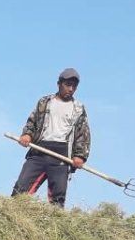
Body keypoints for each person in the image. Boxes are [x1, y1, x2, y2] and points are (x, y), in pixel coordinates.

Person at [12, 67, 91, 206]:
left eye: (74, 86)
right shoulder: (45, 102)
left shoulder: (78, 108)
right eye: (68, 85)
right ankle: (14, 213)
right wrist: (27, 134)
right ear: (59, 84)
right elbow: (32, 122)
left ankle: (55, 218)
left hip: (62, 155)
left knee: (57, 197)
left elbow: (83, 134)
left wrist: (80, 156)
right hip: (39, 150)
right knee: (21, 189)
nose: (71, 89)